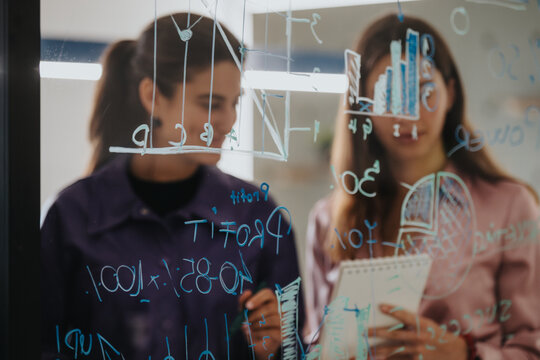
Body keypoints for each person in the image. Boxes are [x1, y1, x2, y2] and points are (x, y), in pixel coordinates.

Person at [41, 13, 303, 360]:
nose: (229, 121)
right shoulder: (72, 217)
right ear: (153, 97)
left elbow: (293, 350)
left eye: (234, 102)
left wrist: (274, 349)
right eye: (210, 103)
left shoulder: (259, 216)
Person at [304, 14, 540, 359]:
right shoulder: (328, 218)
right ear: (363, 106)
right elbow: (315, 345)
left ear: (451, 93)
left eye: (423, 91)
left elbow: (533, 346)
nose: (408, 115)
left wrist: (462, 353)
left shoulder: (509, 205)